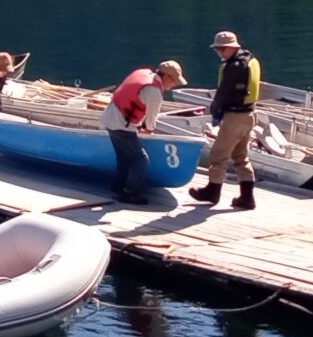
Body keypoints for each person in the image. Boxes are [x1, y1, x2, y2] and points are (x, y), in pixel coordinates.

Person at [189, 31, 263, 210]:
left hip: (235, 117)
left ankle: (212, 191)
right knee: (240, 156)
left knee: (218, 155)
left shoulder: (234, 66)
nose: (219, 53)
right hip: (249, 115)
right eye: (217, 49)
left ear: (231, 48)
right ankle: (247, 198)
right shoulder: (250, 59)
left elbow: (224, 91)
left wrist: (215, 109)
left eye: (221, 49)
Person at [99, 60, 185, 204]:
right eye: (174, 82)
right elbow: (152, 118)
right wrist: (149, 129)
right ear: (166, 77)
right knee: (140, 159)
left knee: (124, 157)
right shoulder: (154, 91)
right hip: (121, 125)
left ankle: (117, 187)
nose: (173, 86)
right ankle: (130, 193)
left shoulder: (143, 73)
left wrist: (140, 125)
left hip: (109, 118)